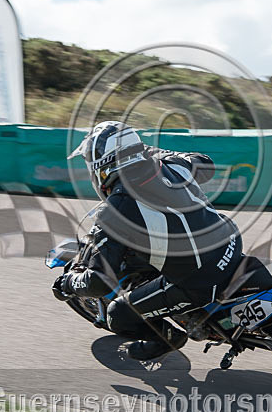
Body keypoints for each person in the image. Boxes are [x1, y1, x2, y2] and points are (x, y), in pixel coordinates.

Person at [52, 121, 243, 360]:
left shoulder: (116, 209)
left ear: (102, 165)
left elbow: (99, 282)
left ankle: (168, 338)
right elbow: (206, 164)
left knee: (118, 314)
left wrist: (68, 284)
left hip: (201, 278)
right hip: (230, 242)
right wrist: (158, 153)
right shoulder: (170, 164)